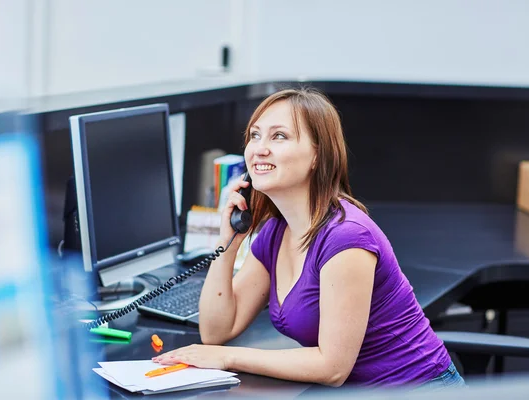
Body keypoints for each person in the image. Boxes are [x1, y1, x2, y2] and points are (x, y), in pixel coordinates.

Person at [152, 88, 466, 389]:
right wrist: (230, 241)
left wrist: (228, 357)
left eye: (279, 136)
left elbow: (332, 368)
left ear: (317, 155)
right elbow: (216, 331)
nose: (259, 148)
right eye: (255, 135)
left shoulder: (347, 238)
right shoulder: (276, 231)